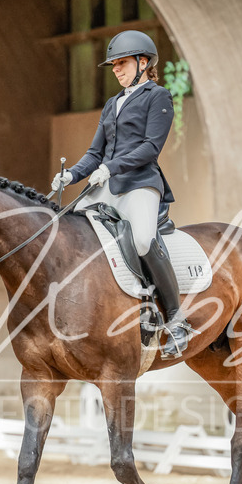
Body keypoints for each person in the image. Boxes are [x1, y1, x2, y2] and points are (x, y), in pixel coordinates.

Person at [51, 30, 192, 357]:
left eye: (122, 63)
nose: (116, 70)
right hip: (104, 185)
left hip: (140, 183)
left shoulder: (158, 97)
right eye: (113, 65)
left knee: (143, 239)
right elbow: (95, 151)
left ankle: (176, 317)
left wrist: (111, 168)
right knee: (68, 232)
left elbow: (149, 148)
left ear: (144, 62)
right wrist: (72, 173)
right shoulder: (112, 104)